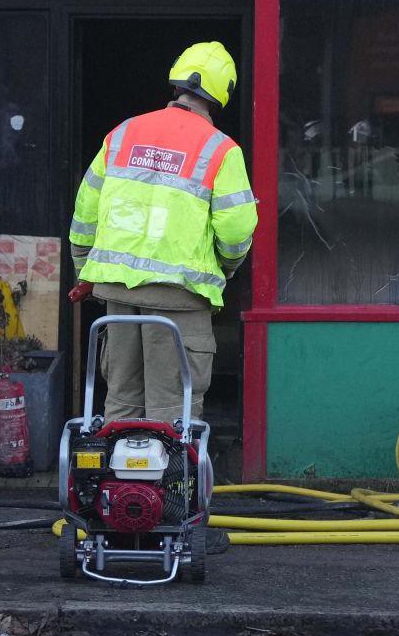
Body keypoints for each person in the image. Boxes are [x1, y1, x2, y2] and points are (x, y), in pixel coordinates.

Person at [68, 41, 257, 423]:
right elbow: (237, 230)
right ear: (224, 94)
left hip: (117, 294)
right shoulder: (221, 150)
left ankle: (120, 482)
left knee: (122, 399)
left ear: (177, 83)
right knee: (172, 409)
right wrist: (224, 268)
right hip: (180, 297)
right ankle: (164, 482)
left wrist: (85, 269)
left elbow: (85, 211)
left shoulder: (122, 134)